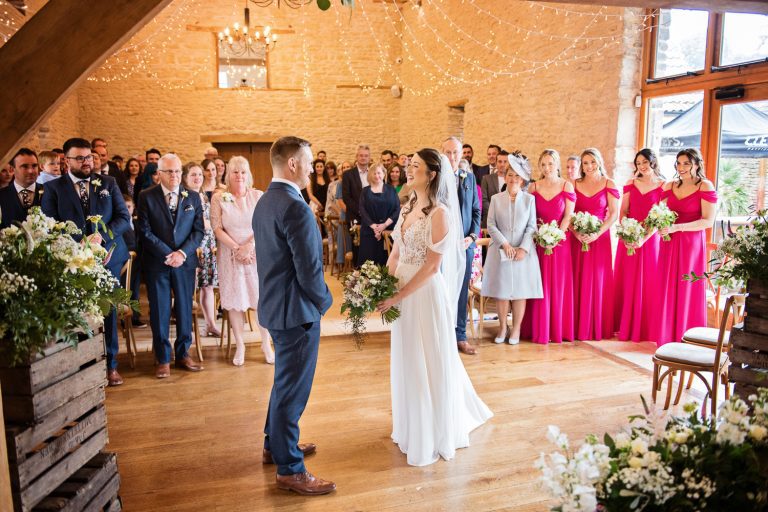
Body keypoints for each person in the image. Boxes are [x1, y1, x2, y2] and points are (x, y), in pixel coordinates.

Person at [376, 148, 492, 467]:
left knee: (427, 358)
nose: (408, 170)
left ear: (431, 174)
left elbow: (430, 267)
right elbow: (396, 254)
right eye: (408, 165)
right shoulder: (408, 206)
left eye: (415, 167)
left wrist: (397, 297)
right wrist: (384, 286)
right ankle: (412, 425)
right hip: (401, 288)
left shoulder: (440, 214)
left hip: (424, 295)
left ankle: (433, 430)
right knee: (408, 358)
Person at [252, 136, 335, 496]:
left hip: (274, 305)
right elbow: (309, 270)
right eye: (309, 161)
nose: (313, 166)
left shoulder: (265, 201)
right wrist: (325, 301)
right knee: (292, 391)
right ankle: (290, 468)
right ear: (292, 165)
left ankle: (276, 445)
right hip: (296, 311)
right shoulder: (296, 207)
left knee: (283, 382)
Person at [42, 138, 130, 386]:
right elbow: (51, 225)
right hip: (74, 261)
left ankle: (111, 365)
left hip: (109, 258)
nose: (86, 162)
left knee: (109, 310)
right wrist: (78, 243)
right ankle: (85, 364)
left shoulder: (108, 183)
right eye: (80, 158)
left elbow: (124, 217)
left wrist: (101, 236)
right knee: (80, 314)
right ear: (66, 161)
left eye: (89, 157)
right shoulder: (54, 189)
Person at [137, 153, 205, 379]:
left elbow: (198, 231)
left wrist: (182, 253)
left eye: (178, 171)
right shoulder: (146, 196)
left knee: (185, 308)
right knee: (160, 310)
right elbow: (144, 231)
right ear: (159, 174)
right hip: (159, 261)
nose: (175, 176)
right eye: (169, 171)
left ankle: (183, 353)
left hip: (184, 262)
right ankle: (163, 358)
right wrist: (168, 253)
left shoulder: (192, 197)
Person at [212, 156, 274, 366]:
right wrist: (237, 249)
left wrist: (249, 246)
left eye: (243, 172)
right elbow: (217, 228)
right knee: (234, 303)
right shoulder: (219, 198)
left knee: (260, 300)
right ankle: (240, 345)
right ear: (228, 174)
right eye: (235, 172)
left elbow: (265, 225)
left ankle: (266, 343)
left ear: (249, 175)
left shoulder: (258, 196)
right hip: (230, 256)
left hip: (256, 254)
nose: (239, 176)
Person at [655, 148, 717, 345]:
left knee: (686, 285)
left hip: (691, 244)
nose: (681, 167)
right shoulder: (669, 185)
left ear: (696, 165)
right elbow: (659, 212)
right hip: (668, 242)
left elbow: (708, 221)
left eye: (686, 164)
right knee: (666, 284)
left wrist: (677, 227)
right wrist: (661, 226)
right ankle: (665, 336)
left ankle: (688, 336)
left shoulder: (705, 186)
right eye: (678, 163)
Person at [481, 154, 542, 344]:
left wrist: (523, 248)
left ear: (522, 179)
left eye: (517, 175)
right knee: (502, 292)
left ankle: (516, 330)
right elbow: (491, 224)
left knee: (519, 293)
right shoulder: (496, 198)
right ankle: (502, 328)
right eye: (509, 175)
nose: (513, 179)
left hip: (522, 253)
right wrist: (505, 244)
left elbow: (532, 226)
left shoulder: (529, 200)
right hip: (501, 251)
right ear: (505, 176)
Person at [525, 149, 575, 344]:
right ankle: (536, 328)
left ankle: (555, 329)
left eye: (550, 164)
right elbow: (529, 216)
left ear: (557, 165)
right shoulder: (533, 187)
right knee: (539, 283)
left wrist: (556, 237)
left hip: (560, 244)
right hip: (538, 242)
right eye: (543, 164)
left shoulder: (566, 186)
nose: (547, 168)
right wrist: (540, 234)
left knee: (557, 284)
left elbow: (568, 215)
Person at [614, 149, 665, 342]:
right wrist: (629, 232)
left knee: (648, 280)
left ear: (653, 162)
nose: (642, 166)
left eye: (645, 162)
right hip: (629, 237)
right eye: (638, 163)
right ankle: (624, 325)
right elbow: (623, 212)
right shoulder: (630, 184)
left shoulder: (663, 186)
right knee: (627, 279)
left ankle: (645, 328)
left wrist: (643, 237)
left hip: (650, 240)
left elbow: (659, 217)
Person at [570, 148, 619, 341]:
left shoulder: (609, 183)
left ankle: (596, 326)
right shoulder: (574, 184)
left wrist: (597, 233)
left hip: (600, 239)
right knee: (577, 277)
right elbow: (568, 213)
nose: (589, 166)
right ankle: (574, 325)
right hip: (578, 239)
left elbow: (614, 213)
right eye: (585, 163)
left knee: (597, 279)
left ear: (599, 161)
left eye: (592, 162)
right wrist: (575, 232)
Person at [442, 137, 481, 355]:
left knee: (461, 290)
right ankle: (442, 335)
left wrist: (472, 236)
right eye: (448, 152)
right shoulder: (435, 179)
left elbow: (476, 211)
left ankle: (460, 336)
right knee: (443, 290)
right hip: (442, 246)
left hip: (464, 245)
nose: (452, 157)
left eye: (456, 153)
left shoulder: (469, 177)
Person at [183, 162, 220, 338]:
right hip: (192, 246)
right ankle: (187, 326)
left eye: (199, 174)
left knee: (208, 287)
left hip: (208, 246)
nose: (198, 178)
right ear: (185, 178)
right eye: (193, 175)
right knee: (190, 288)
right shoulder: (184, 197)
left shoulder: (203, 195)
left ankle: (211, 324)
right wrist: (210, 224)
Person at [358, 164, 400, 266]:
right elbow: (362, 210)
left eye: (379, 173)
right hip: (369, 232)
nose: (377, 176)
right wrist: (374, 227)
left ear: (384, 174)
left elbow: (397, 209)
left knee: (386, 262)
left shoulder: (391, 190)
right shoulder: (365, 191)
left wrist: (384, 225)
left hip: (388, 231)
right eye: (374, 173)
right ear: (370, 175)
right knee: (368, 264)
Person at [341, 145, 371, 265]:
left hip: (372, 216)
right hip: (355, 216)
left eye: (366, 155)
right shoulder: (348, 174)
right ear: (356, 157)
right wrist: (361, 211)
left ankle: (371, 275)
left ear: (369, 157)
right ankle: (358, 275)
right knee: (357, 246)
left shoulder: (373, 172)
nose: (363, 158)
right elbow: (346, 197)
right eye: (361, 155)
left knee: (370, 246)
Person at [0, 148, 43, 228]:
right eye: (25, 166)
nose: (31, 171)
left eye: (34, 166)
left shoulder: (49, 191)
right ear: (12, 169)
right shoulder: (2, 195)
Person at [120, 194, 146, 327]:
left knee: (135, 289)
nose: (126, 209)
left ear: (133, 207)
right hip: (125, 261)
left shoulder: (136, 222)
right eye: (123, 207)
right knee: (125, 288)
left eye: (129, 206)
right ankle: (125, 318)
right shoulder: (119, 223)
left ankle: (135, 316)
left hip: (137, 261)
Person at [481, 149, 508, 229]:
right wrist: (494, 214)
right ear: (496, 163)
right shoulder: (486, 179)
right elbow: (484, 199)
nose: (502, 164)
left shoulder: (513, 180)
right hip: (490, 220)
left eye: (505, 161)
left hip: (508, 221)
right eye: (499, 161)